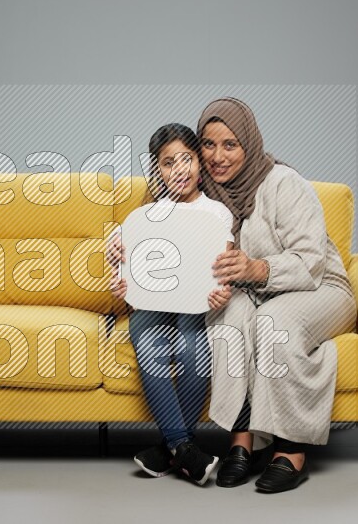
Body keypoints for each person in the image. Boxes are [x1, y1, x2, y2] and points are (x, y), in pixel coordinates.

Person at [197, 97, 358, 493]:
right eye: (208, 144)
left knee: (274, 322)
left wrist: (256, 269)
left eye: (230, 145)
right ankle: (242, 441)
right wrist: (123, 245)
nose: (217, 157)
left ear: (249, 144)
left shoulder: (283, 184)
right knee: (229, 319)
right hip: (254, 294)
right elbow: (160, 208)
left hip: (320, 287)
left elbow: (311, 261)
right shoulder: (202, 193)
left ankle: (290, 449)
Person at [107, 123, 235, 486]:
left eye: (186, 159)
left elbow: (222, 269)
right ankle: (184, 447)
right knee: (146, 337)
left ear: (199, 163)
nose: (179, 169)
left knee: (193, 347)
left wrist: (223, 290)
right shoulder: (150, 213)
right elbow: (125, 264)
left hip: (195, 303)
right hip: (153, 305)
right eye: (168, 163)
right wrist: (119, 274)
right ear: (158, 171)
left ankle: (171, 448)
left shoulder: (216, 213)